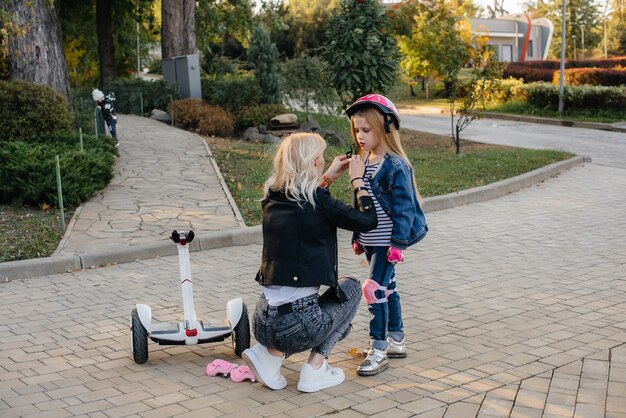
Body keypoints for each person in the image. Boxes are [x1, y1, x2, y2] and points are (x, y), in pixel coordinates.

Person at [242, 132, 378, 392]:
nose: (324, 160)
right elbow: (367, 221)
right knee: (350, 288)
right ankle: (315, 369)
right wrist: (358, 180)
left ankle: (270, 357)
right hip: (296, 326)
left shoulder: (272, 197)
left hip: (262, 322)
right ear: (312, 162)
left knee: (299, 304)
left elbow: (306, 203)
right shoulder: (319, 201)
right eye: (321, 158)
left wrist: (328, 176)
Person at [345, 94, 428, 377]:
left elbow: (404, 209)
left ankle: (378, 349)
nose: (360, 135)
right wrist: (358, 235)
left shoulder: (395, 165)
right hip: (370, 239)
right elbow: (362, 202)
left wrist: (398, 243)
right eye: (357, 130)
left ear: (386, 128)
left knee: (373, 289)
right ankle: (396, 339)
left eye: (366, 130)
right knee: (388, 287)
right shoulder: (364, 160)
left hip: (386, 242)